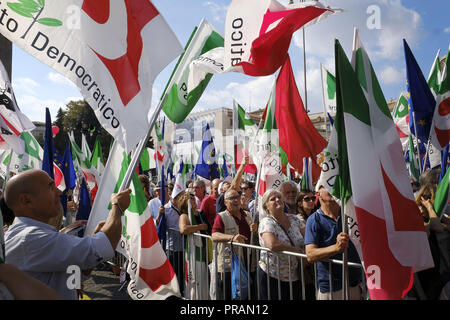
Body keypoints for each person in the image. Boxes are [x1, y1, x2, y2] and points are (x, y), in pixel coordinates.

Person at [4, 169, 131, 300]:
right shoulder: (30, 237)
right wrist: (117, 207)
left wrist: (94, 243)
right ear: (26, 200)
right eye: (51, 187)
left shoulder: (29, 235)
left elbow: (78, 272)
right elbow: (104, 245)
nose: (59, 192)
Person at [304, 186, 362, 300]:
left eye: (334, 185)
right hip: (332, 288)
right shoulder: (314, 220)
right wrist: (336, 248)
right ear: (318, 194)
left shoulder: (350, 214)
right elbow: (310, 254)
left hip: (355, 284)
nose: (333, 189)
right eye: (326, 186)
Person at [258, 189, 305, 300]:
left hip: (294, 275)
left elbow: (308, 238)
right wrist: (295, 250)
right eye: (273, 199)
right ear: (267, 206)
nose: (277, 200)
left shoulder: (295, 219)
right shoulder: (266, 222)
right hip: (272, 275)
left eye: (279, 197)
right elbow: (272, 244)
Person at [211, 188, 257, 300]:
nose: (236, 200)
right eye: (232, 198)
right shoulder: (221, 216)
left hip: (248, 264)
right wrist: (232, 238)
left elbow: (254, 237)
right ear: (226, 202)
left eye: (237, 197)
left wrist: (255, 230)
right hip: (230, 267)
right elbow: (214, 235)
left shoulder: (248, 215)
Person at [413, 183, 450, 300]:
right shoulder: (418, 217)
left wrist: (439, 215)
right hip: (430, 283)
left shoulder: (435, 217)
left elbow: (443, 224)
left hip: (439, 275)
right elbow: (437, 227)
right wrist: (429, 207)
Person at [156, 179, 186, 295]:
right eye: (178, 195)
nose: (180, 197)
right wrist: (159, 215)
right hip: (172, 247)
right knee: (174, 272)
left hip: (184, 247)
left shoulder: (184, 207)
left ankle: (181, 292)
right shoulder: (166, 209)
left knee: (182, 273)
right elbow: (158, 225)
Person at [178, 190, 210, 299]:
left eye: (193, 198)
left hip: (203, 252)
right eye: (190, 198)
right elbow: (183, 229)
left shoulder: (200, 213)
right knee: (195, 282)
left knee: (204, 282)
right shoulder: (184, 215)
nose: (193, 199)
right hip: (193, 253)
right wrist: (199, 227)